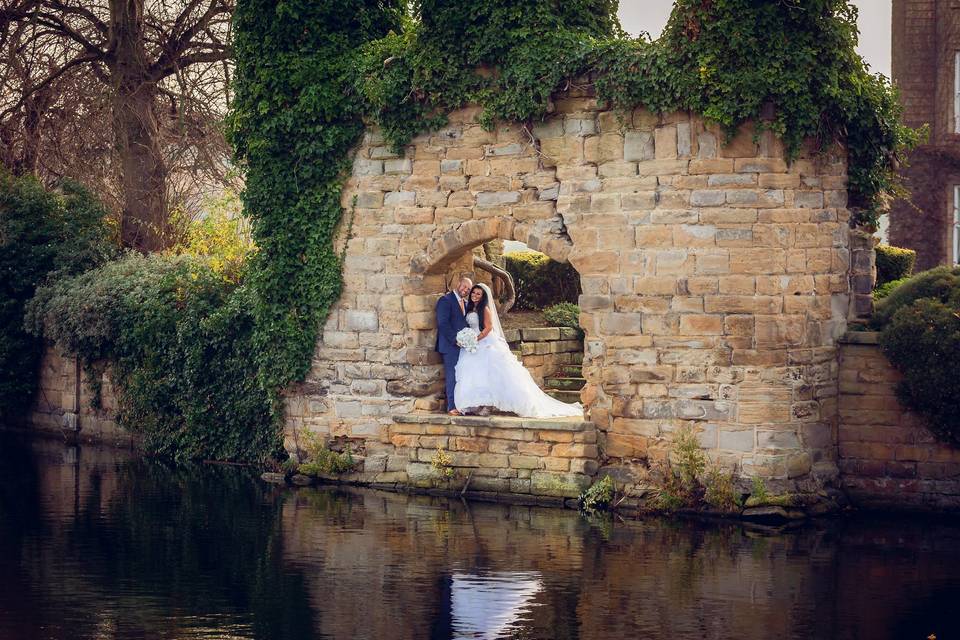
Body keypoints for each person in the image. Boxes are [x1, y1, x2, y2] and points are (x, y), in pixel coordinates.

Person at [454, 283, 583, 419]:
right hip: (472, 346)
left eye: (478, 294)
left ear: (483, 296)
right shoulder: (470, 308)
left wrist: (475, 339)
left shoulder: (485, 309)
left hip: (485, 342)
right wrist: (466, 338)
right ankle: (478, 403)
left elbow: (488, 328)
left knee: (492, 373)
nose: (474, 295)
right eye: (473, 293)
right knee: (476, 374)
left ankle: (488, 405)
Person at [435, 275, 472, 415]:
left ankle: (463, 404)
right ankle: (451, 406)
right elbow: (442, 323)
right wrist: (455, 339)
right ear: (458, 284)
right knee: (452, 375)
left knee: (462, 375)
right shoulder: (445, 300)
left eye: (468, 289)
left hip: (464, 346)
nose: (466, 290)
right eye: (464, 286)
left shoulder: (467, 303)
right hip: (450, 345)